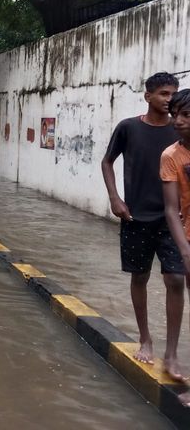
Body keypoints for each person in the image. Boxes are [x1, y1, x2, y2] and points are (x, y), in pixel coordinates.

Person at [101, 72, 184, 378]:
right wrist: (115, 199)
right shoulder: (128, 128)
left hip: (172, 219)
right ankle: (145, 338)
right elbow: (107, 161)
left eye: (172, 94)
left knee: (175, 278)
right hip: (135, 216)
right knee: (140, 277)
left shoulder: (181, 131)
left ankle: (172, 353)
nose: (169, 99)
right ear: (148, 96)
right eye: (163, 93)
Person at [162, 88, 190, 403]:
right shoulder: (171, 156)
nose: (177, 121)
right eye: (175, 115)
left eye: (185, 115)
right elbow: (171, 209)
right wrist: (185, 250)